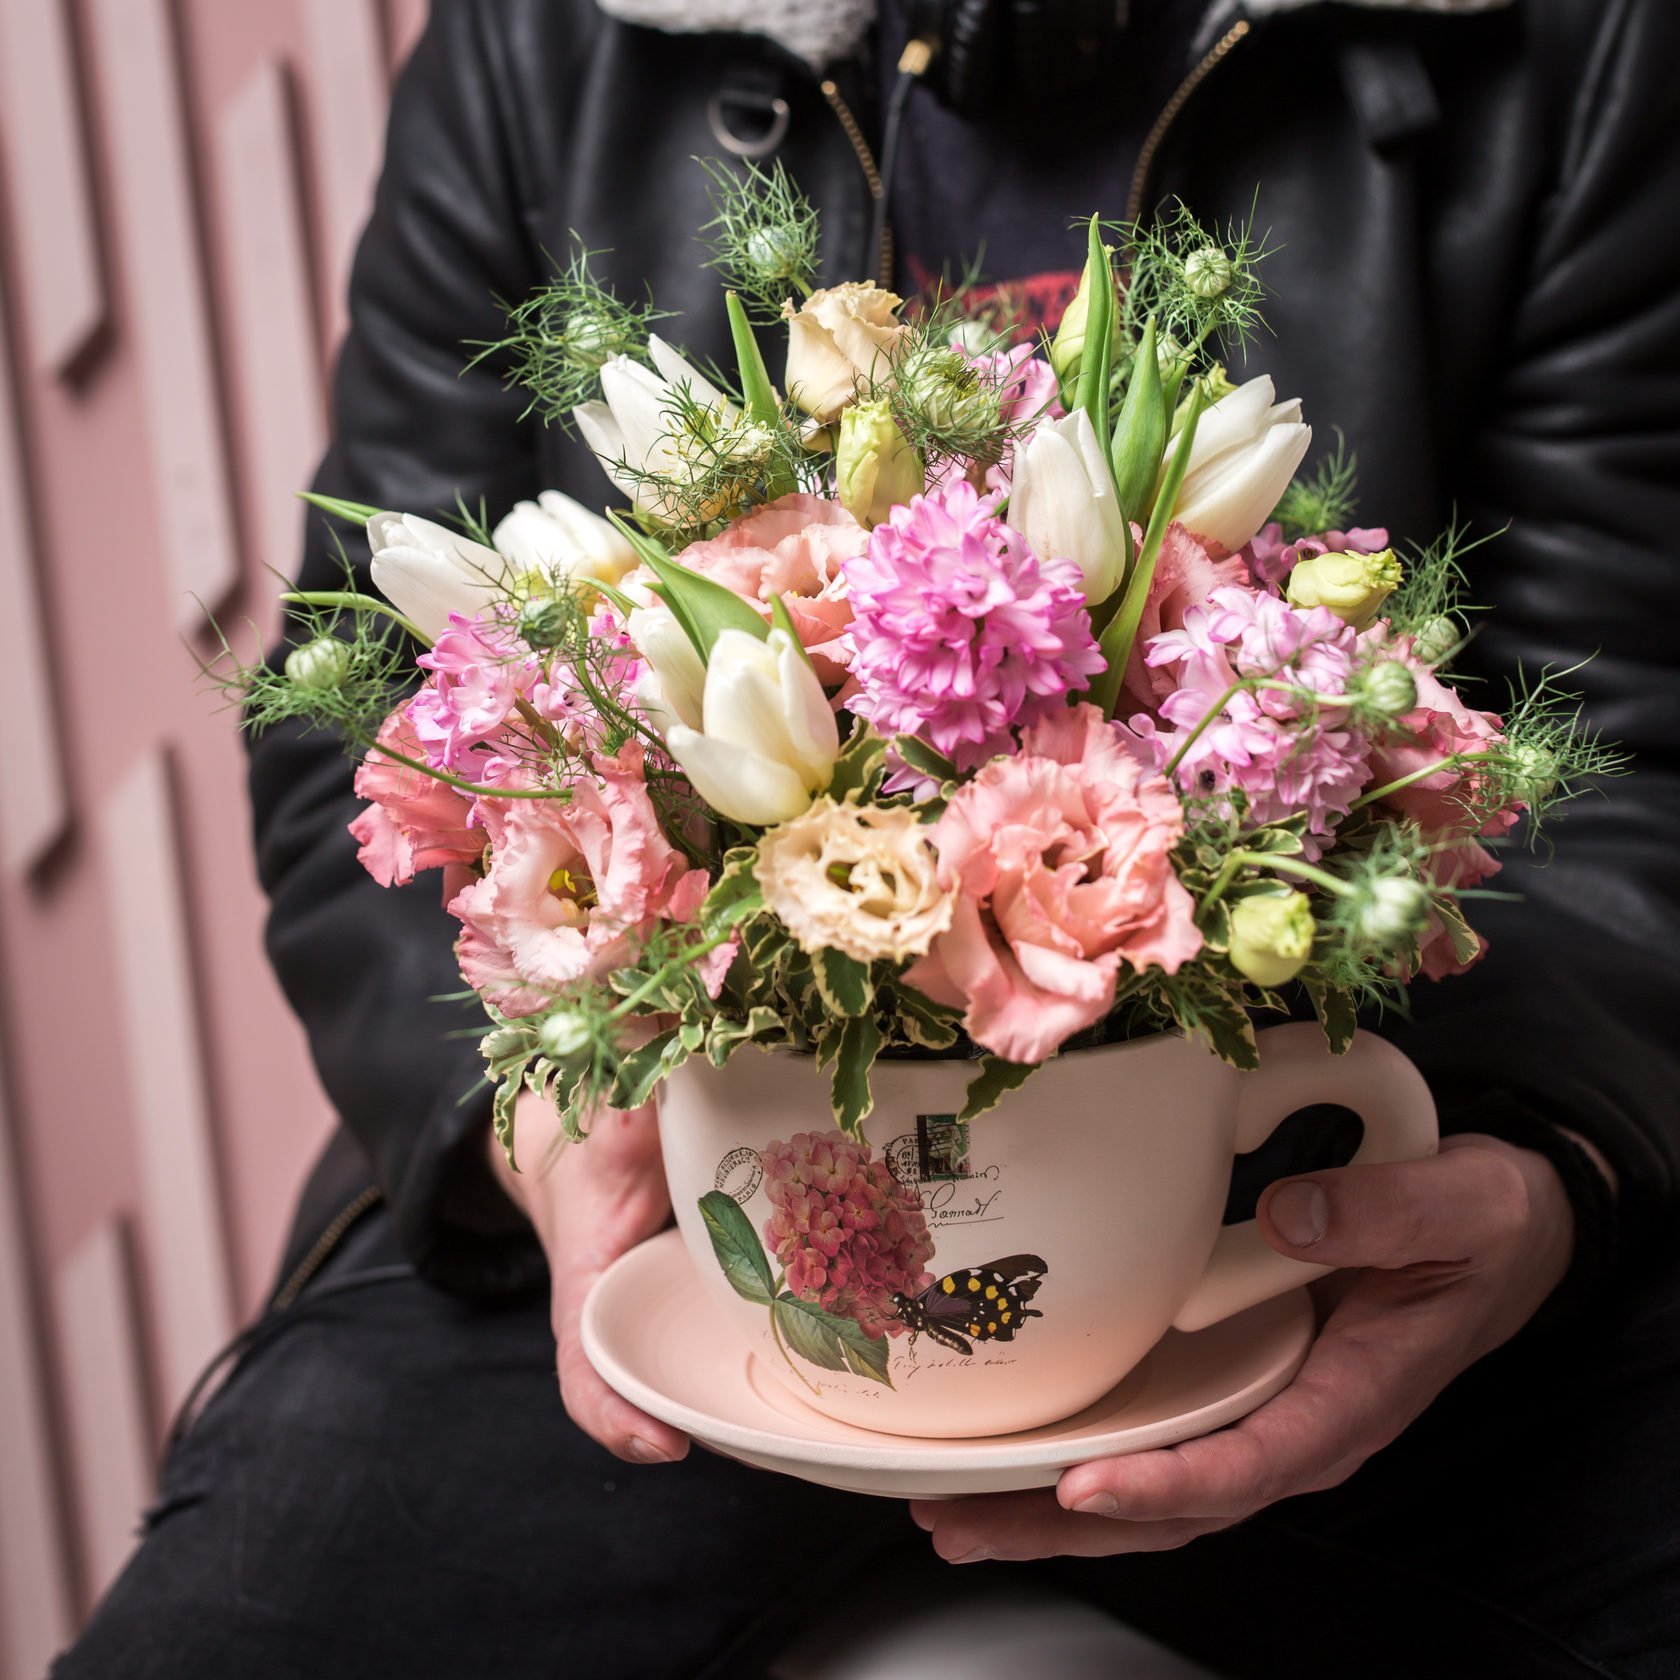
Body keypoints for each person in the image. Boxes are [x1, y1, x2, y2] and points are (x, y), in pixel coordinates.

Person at [54, 2, 1680, 1676]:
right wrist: (527, 1120)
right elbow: (395, 736)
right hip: (661, 1185)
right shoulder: (548, 36)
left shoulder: (1572, 42)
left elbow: (1621, 741)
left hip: (1294, 1215)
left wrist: (1544, 1157)